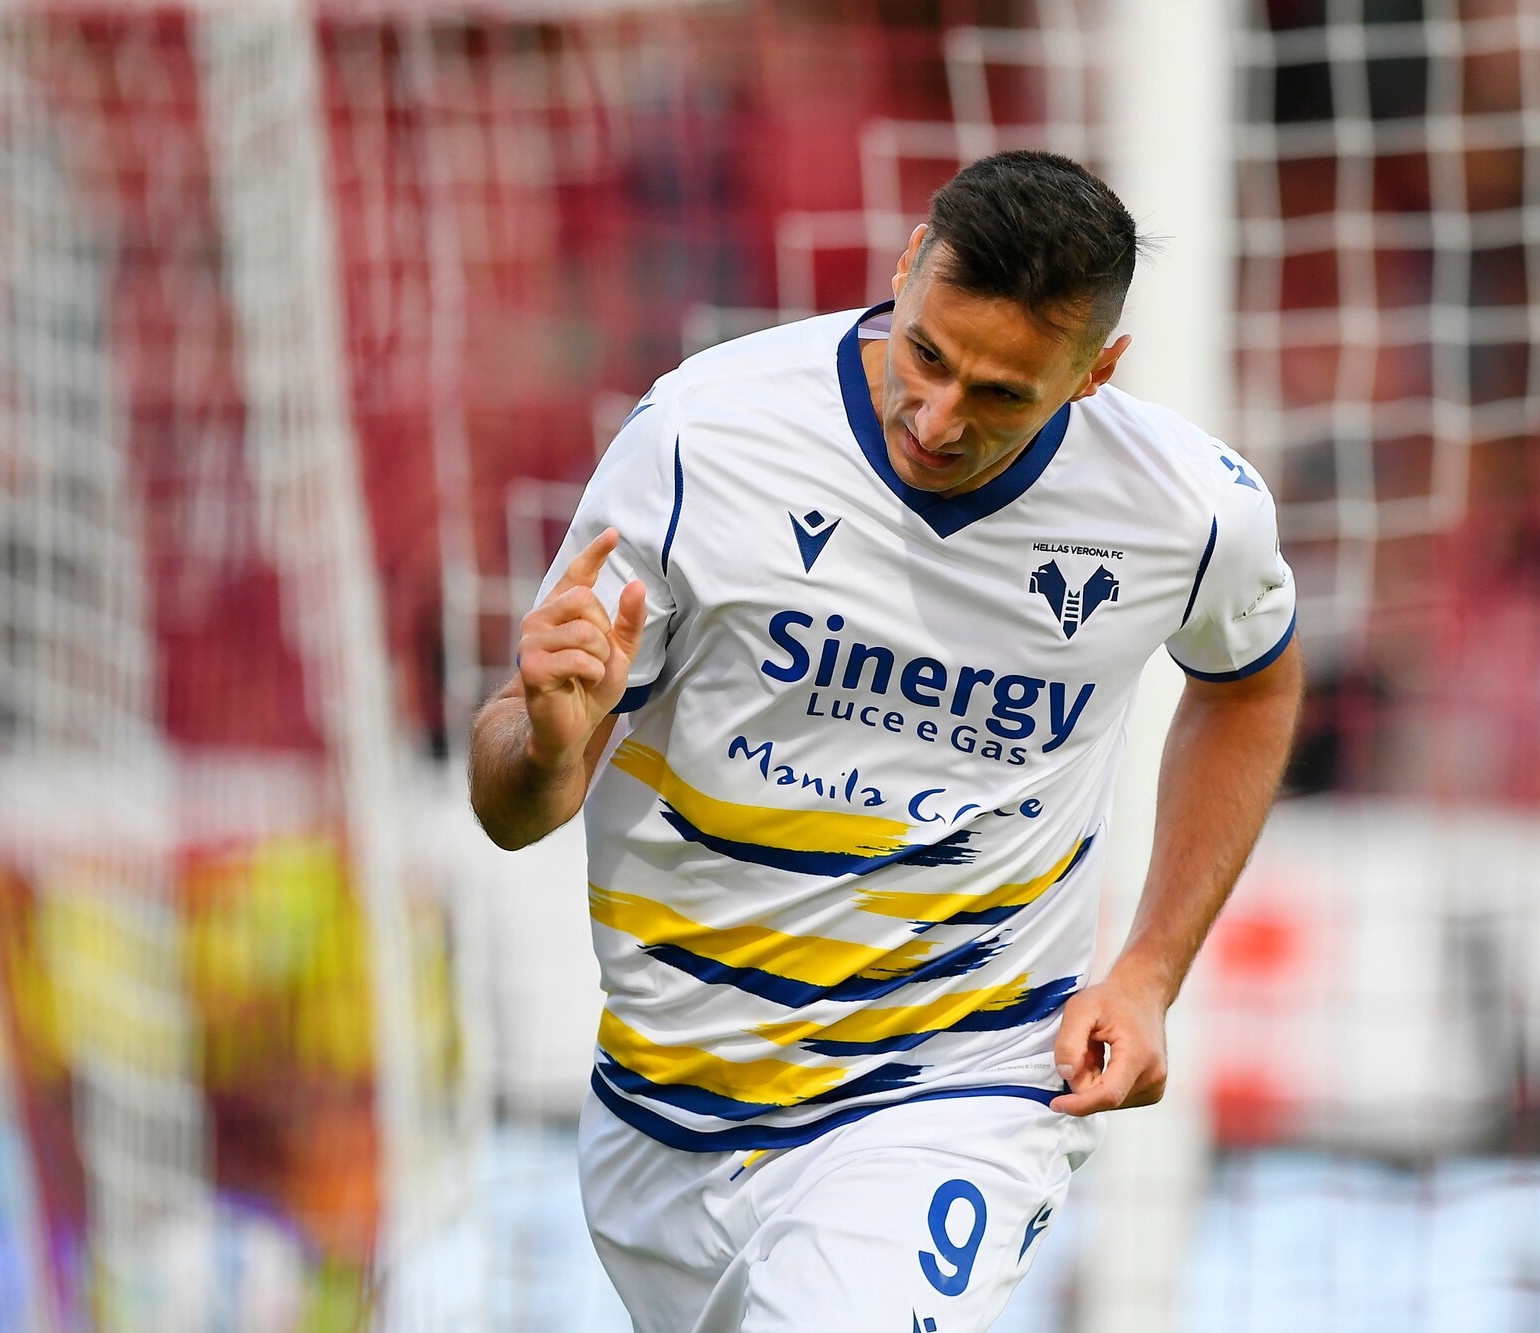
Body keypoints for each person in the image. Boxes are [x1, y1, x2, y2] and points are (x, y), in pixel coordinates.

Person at [468, 150, 1303, 1333]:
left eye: (1001, 395)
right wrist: (549, 744)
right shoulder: (706, 435)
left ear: (1094, 372)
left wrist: (1148, 969)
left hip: (956, 1083)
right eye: (927, 356)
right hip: (667, 1105)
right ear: (907, 266)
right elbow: (513, 808)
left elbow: (1249, 683)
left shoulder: (1186, 509)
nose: (938, 418)